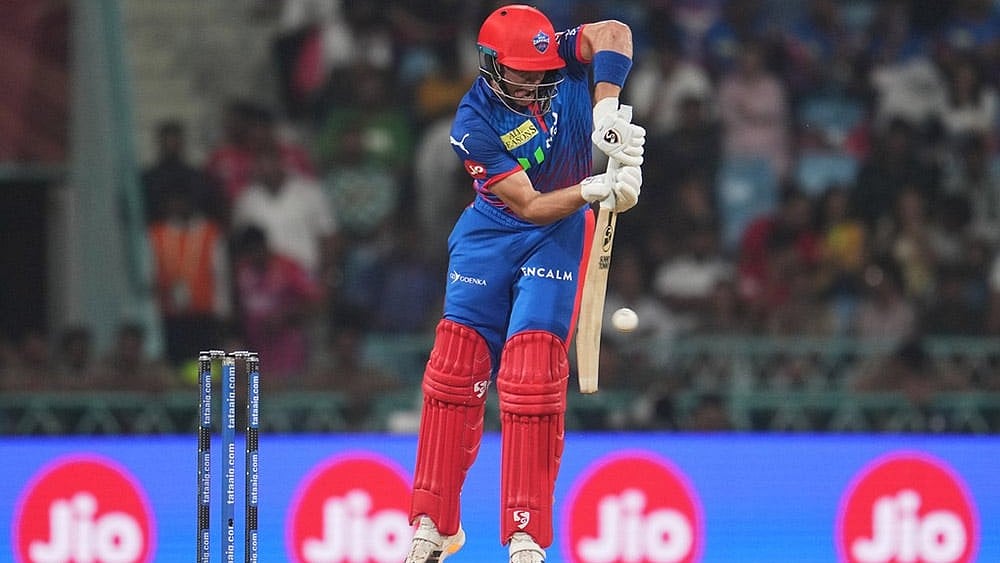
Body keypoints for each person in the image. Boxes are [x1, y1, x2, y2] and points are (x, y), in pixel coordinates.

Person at [404, 6, 644, 563]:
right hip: (497, 229)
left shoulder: (552, 55)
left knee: (532, 371)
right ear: (491, 66)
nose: (536, 83)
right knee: (454, 369)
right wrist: (594, 188)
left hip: (557, 237)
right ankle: (436, 523)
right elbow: (531, 204)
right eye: (521, 74)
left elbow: (614, 33)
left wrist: (606, 111)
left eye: (542, 71)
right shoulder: (472, 121)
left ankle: (525, 533)